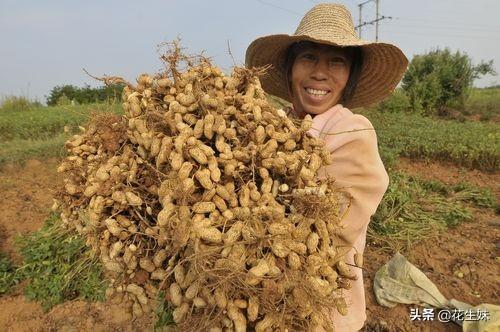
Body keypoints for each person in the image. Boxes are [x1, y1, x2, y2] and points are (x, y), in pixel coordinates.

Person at [245, 3, 408, 331]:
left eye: (337, 62)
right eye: (308, 58)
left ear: (350, 77)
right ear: (291, 68)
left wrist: (254, 189)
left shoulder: (352, 131)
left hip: (321, 308)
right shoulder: (275, 124)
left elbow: (327, 226)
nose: (320, 72)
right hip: (258, 298)